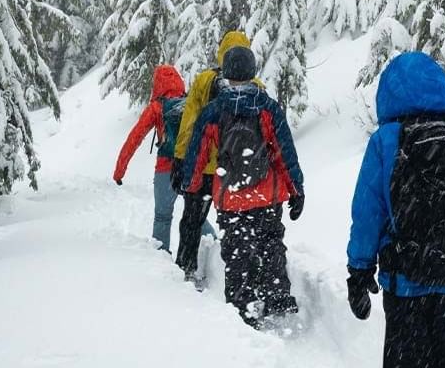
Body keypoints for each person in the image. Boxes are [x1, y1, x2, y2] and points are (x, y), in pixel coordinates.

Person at [346, 52, 445, 368]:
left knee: (403, 352)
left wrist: (359, 270)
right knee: (443, 347)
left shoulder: (385, 141)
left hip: (402, 276)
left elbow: (368, 212)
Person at [181, 46, 305, 327]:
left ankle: (243, 307)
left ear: (225, 73)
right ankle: (277, 297)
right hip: (267, 195)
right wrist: (296, 189)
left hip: (231, 197)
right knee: (271, 244)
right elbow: (286, 152)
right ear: (253, 71)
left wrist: (191, 184)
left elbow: (197, 153)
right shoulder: (268, 108)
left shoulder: (214, 111)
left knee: (237, 253)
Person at [171, 31, 263, 282]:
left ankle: (185, 268)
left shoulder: (203, 80)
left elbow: (189, 124)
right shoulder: (257, 87)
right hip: (236, 171)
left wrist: (180, 160)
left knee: (191, 219)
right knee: (239, 225)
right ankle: (243, 278)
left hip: (203, 168)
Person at [112, 65, 210, 252]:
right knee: (196, 215)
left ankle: (162, 264)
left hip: (165, 169)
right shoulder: (190, 102)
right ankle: (211, 251)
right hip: (191, 168)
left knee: (163, 217)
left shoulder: (157, 107)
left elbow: (134, 138)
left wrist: (119, 171)